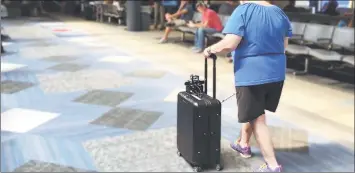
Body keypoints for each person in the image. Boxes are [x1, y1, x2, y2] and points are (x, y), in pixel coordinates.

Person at [203, 0, 292, 172]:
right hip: (276, 72)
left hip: (252, 73)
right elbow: (284, 45)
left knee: (258, 119)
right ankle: (243, 144)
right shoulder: (280, 13)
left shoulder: (243, 10)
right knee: (256, 110)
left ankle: (272, 165)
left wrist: (211, 49)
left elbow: (230, 43)